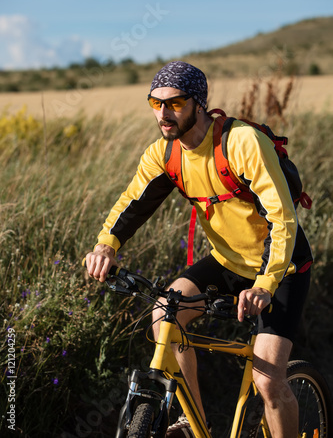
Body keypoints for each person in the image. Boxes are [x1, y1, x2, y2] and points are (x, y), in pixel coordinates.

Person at [85, 61, 313, 438]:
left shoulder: (241, 143)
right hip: (227, 261)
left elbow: (282, 218)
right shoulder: (165, 154)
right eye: (155, 103)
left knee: (269, 380)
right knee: (165, 316)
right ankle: (195, 424)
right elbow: (133, 202)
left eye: (174, 103)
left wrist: (264, 285)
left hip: (281, 268)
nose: (163, 113)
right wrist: (105, 245)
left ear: (199, 104)